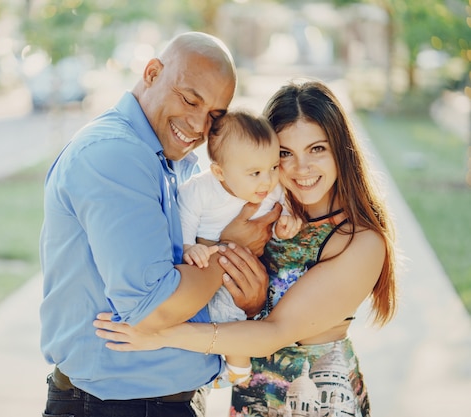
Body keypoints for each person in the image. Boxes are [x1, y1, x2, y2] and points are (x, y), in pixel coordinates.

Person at [94, 79, 398, 417]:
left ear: (340, 150)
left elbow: (275, 332)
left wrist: (162, 333)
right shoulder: (269, 213)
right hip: (254, 397)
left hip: (318, 404)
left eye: (317, 149)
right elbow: (218, 267)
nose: (301, 168)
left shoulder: (359, 241)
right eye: (284, 153)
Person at [39, 31, 282, 417]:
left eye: (215, 116)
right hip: (116, 407)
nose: (199, 126)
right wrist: (230, 250)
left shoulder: (170, 160)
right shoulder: (116, 155)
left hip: (162, 400)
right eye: (190, 99)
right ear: (152, 73)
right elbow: (153, 309)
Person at [178, 109, 302, 389]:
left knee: (233, 318)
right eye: (255, 173)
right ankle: (220, 373)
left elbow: (285, 205)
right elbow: (185, 215)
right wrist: (190, 246)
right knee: (208, 318)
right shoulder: (200, 191)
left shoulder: (271, 188)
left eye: (272, 167)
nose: (267, 181)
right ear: (220, 172)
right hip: (208, 270)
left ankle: (237, 372)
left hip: (244, 271)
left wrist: (286, 222)